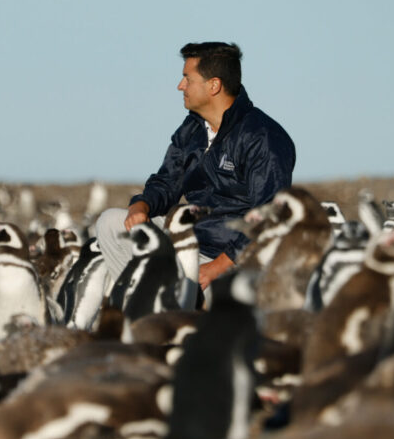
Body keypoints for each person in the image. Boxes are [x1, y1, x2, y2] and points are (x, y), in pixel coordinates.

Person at [96, 42, 295, 293]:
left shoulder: (263, 137)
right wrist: (142, 204)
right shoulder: (192, 128)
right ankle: (143, 303)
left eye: (187, 79)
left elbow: (268, 218)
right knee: (111, 223)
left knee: (211, 296)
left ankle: (181, 302)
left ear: (214, 85)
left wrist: (215, 268)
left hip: (232, 261)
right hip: (188, 242)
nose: (180, 86)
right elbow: (167, 182)